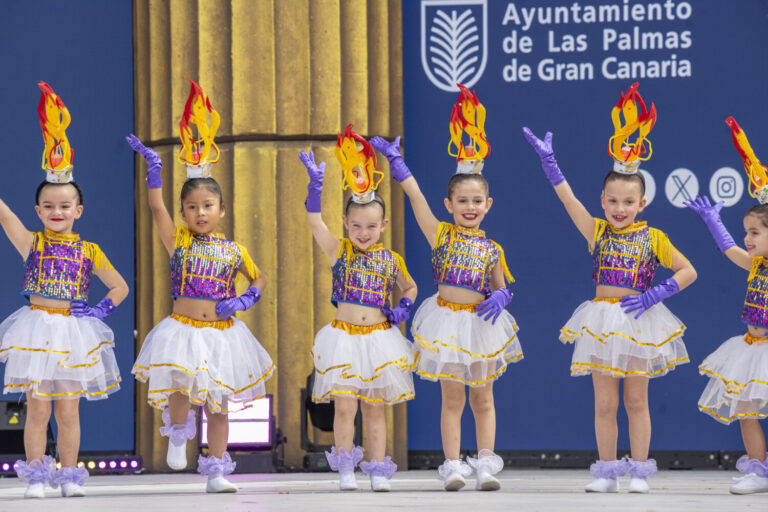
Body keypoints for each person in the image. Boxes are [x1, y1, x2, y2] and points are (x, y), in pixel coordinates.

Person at [523, 82, 696, 493]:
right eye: (613, 201)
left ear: (643, 204)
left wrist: (657, 293)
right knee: (604, 403)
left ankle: (638, 471)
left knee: (636, 401)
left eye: (628, 202)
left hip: (639, 320)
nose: (620, 209)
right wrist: (551, 165)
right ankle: (606, 471)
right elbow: (569, 203)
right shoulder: (596, 231)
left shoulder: (654, 238)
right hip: (602, 320)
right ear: (602, 201)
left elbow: (689, 270)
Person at [371, 86, 521, 491]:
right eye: (462, 201)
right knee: (453, 399)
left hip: (482, 326)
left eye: (477, 200)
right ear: (450, 204)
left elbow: (501, 285)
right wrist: (396, 163)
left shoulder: (492, 247)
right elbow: (417, 198)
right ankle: (453, 465)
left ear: (488, 204)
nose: (470, 207)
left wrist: (503, 296)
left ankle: (487, 464)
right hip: (448, 325)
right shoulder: (439, 234)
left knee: (483, 398)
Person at [128, 81, 274, 493]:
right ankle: (177, 431)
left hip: (223, 333)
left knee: (219, 402)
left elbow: (258, 276)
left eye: (207, 206)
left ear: (221, 209)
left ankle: (216, 470)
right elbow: (156, 208)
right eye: (191, 207)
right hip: (183, 327)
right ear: (184, 213)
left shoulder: (234, 249)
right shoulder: (178, 241)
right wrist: (154, 172)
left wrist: (247, 296)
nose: (200, 212)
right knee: (180, 384)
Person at [1, 82, 129, 498]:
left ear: (79, 210)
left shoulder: (89, 250)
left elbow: (120, 286)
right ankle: (37, 476)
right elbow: (5, 218)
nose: (58, 212)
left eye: (65, 206)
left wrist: (99, 311)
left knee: (69, 410)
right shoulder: (32, 243)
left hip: (73, 332)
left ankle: (69, 476)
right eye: (49, 207)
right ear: (38, 211)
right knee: (37, 409)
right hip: (38, 332)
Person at [298, 124, 417, 492]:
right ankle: (346, 467)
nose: (363, 233)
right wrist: (315, 188)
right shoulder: (339, 251)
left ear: (382, 225)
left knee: (376, 409)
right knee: (345, 408)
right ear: (346, 224)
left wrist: (404, 306)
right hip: (344, 340)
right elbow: (315, 223)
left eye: (370, 226)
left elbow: (410, 285)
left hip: (380, 339)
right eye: (355, 226)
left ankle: (378, 470)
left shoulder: (391, 259)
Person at [686, 117, 768, 495]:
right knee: (746, 410)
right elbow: (729, 249)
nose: (747, 239)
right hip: (751, 348)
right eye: (747, 231)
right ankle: (759, 470)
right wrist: (712, 220)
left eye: (754, 232)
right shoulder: (755, 264)